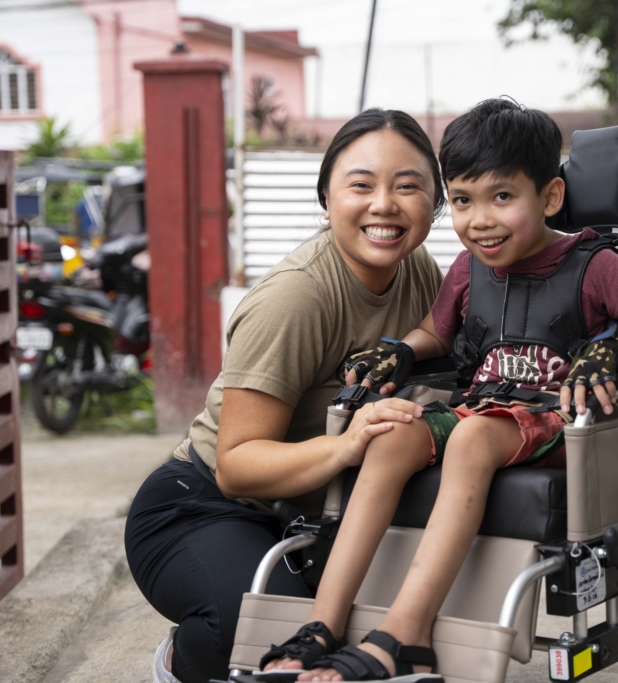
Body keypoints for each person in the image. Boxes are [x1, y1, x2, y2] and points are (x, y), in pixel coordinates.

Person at [261, 99, 618, 682]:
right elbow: (437, 332)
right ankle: (322, 625)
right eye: (461, 200)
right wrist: (403, 349)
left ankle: (405, 634)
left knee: (474, 436)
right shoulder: (467, 268)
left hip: (561, 421)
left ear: (549, 197)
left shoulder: (597, 266)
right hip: (481, 408)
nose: (479, 220)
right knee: (386, 435)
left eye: (502, 197)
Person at [124, 108, 447, 683]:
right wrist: (347, 448)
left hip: (314, 510)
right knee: (256, 633)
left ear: (435, 202)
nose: (384, 205)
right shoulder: (297, 297)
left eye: (408, 186)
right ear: (327, 198)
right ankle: (182, 659)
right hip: (201, 506)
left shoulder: (420, 269)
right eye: (361, 184)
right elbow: (237, 466)